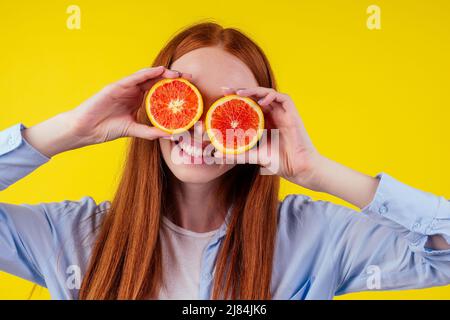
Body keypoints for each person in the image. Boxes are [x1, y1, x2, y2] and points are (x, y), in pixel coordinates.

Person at [1, 22, 449, 300]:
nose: (200, 126)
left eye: (227, 108)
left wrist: (318, 171)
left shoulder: (318, 238)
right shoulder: (70, 237)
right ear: (152, 105)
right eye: (184, 101)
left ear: (262, 119)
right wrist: (67, 131)